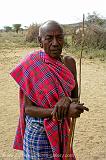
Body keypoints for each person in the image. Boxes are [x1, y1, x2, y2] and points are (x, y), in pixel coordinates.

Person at [10, 20, 89, 160]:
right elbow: (28, 109)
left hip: (62, 130)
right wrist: (58, 111)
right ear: (40, 41)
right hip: (38, 133)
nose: (55, 43)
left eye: (59, 37)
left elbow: (74, 98)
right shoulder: (31, 63)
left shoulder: (69, 62)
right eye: (49, 38)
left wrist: (68, 100)